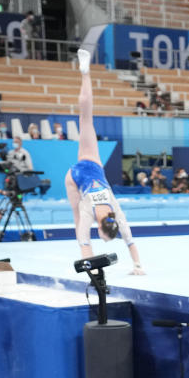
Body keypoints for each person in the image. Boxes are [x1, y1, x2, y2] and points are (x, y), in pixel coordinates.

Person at [65, 49, 144, 272]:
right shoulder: (90, 214)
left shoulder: (117, 214)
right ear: (100, 227)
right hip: (73, 179)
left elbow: (130, 242)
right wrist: (90, 268)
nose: (100, 237)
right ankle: (85, 72)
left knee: (86, 117)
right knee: (78, 220)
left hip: (92, 164)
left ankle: (85, 73)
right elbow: (86, 243)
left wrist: (138, 264)